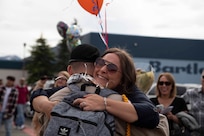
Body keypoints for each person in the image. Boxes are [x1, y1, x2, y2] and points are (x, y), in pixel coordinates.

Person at [30, 46, 159, 134]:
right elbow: (38, 94)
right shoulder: (87, 85)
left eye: (112, 68)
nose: (103, 69)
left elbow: (151, 115)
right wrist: (47, 106)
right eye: (101, 62)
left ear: (124, 77)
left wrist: (104, 103)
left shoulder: (129, 91)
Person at [182, 70, 204, 135]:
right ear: (201, 78)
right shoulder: (190, 93)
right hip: (194, 133)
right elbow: (178, 105)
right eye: (203, 77)